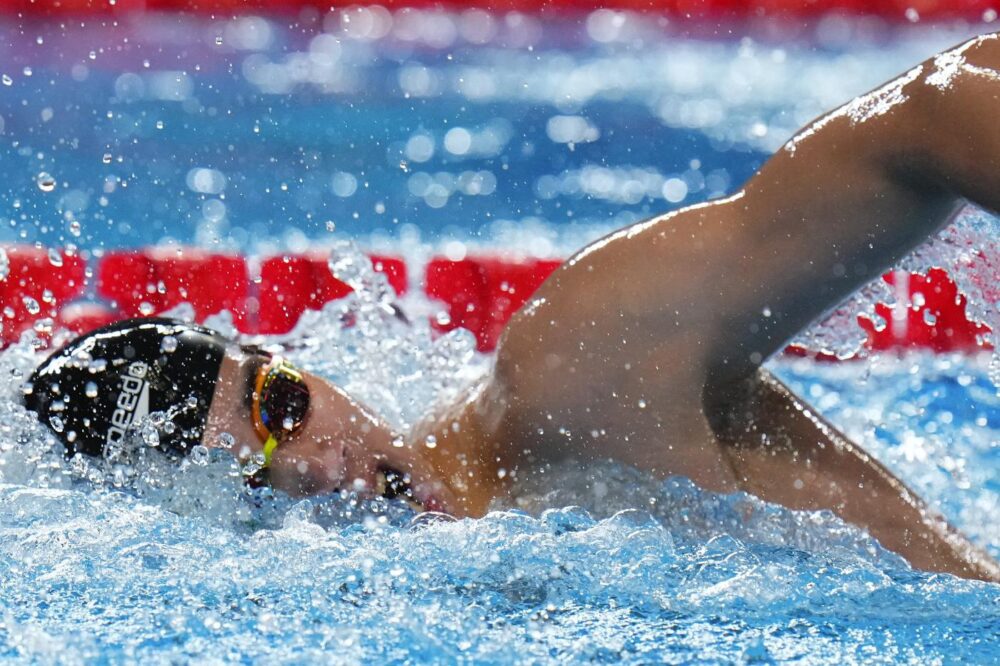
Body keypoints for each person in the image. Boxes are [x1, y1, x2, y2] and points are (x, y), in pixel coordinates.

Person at [22, 34, 1000, 581]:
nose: (324, 468)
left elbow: (929, 110)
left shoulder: (572, 372)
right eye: (253, 482)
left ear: (294, 360)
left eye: (282, 406)